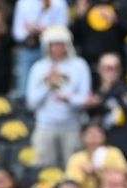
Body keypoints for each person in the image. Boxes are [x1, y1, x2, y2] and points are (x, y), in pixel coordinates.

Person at [26, 26, 92, 170]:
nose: (57, 48)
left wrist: (69, 99)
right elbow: (31, 102)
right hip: (45, 127)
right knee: (44, 171)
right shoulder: (38, 68)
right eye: (53, 44)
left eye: (60, 44)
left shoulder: (79, 66)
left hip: (72, 127)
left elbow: (85, 99)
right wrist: (48, 84)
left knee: (73, 169)